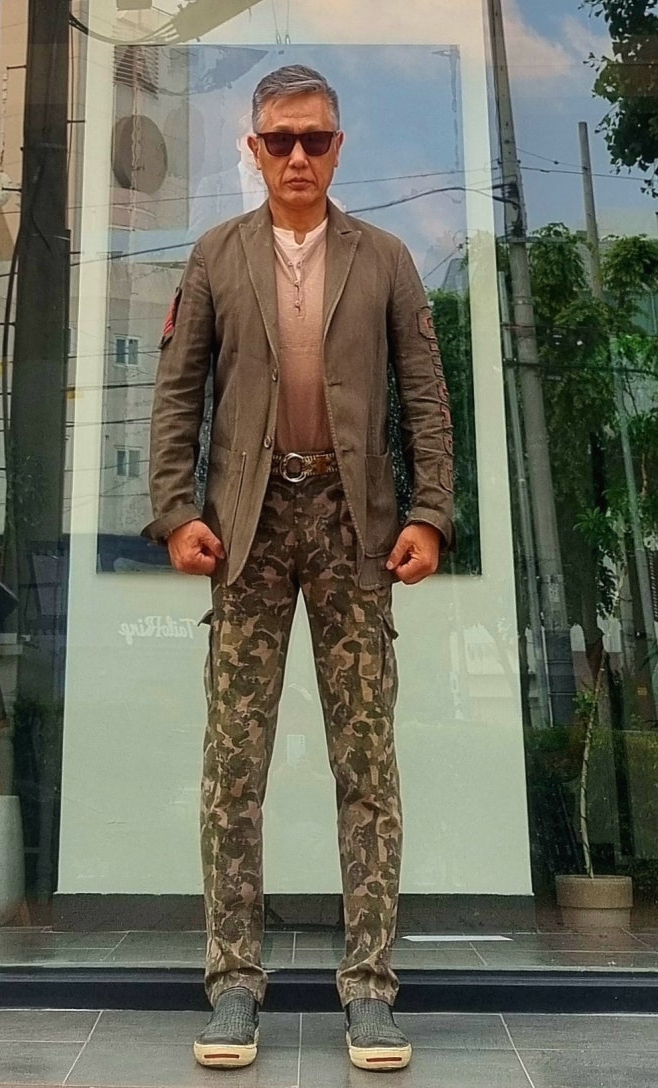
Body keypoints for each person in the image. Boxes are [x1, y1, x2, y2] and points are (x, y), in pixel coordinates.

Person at [146, 64, 454, 1073]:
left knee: (365, 764)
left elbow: (425, 399)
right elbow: (176, 393)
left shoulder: (385, 259)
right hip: (246, 526)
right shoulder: (215, 254)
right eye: (277, 139)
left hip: (354, 526)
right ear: (251, 148)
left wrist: (429, 515)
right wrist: (175, 512)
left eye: (313, 139)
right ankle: (233, 982)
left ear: (336, 147)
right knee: (232, 765)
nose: (295, 156)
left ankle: (368, 990)